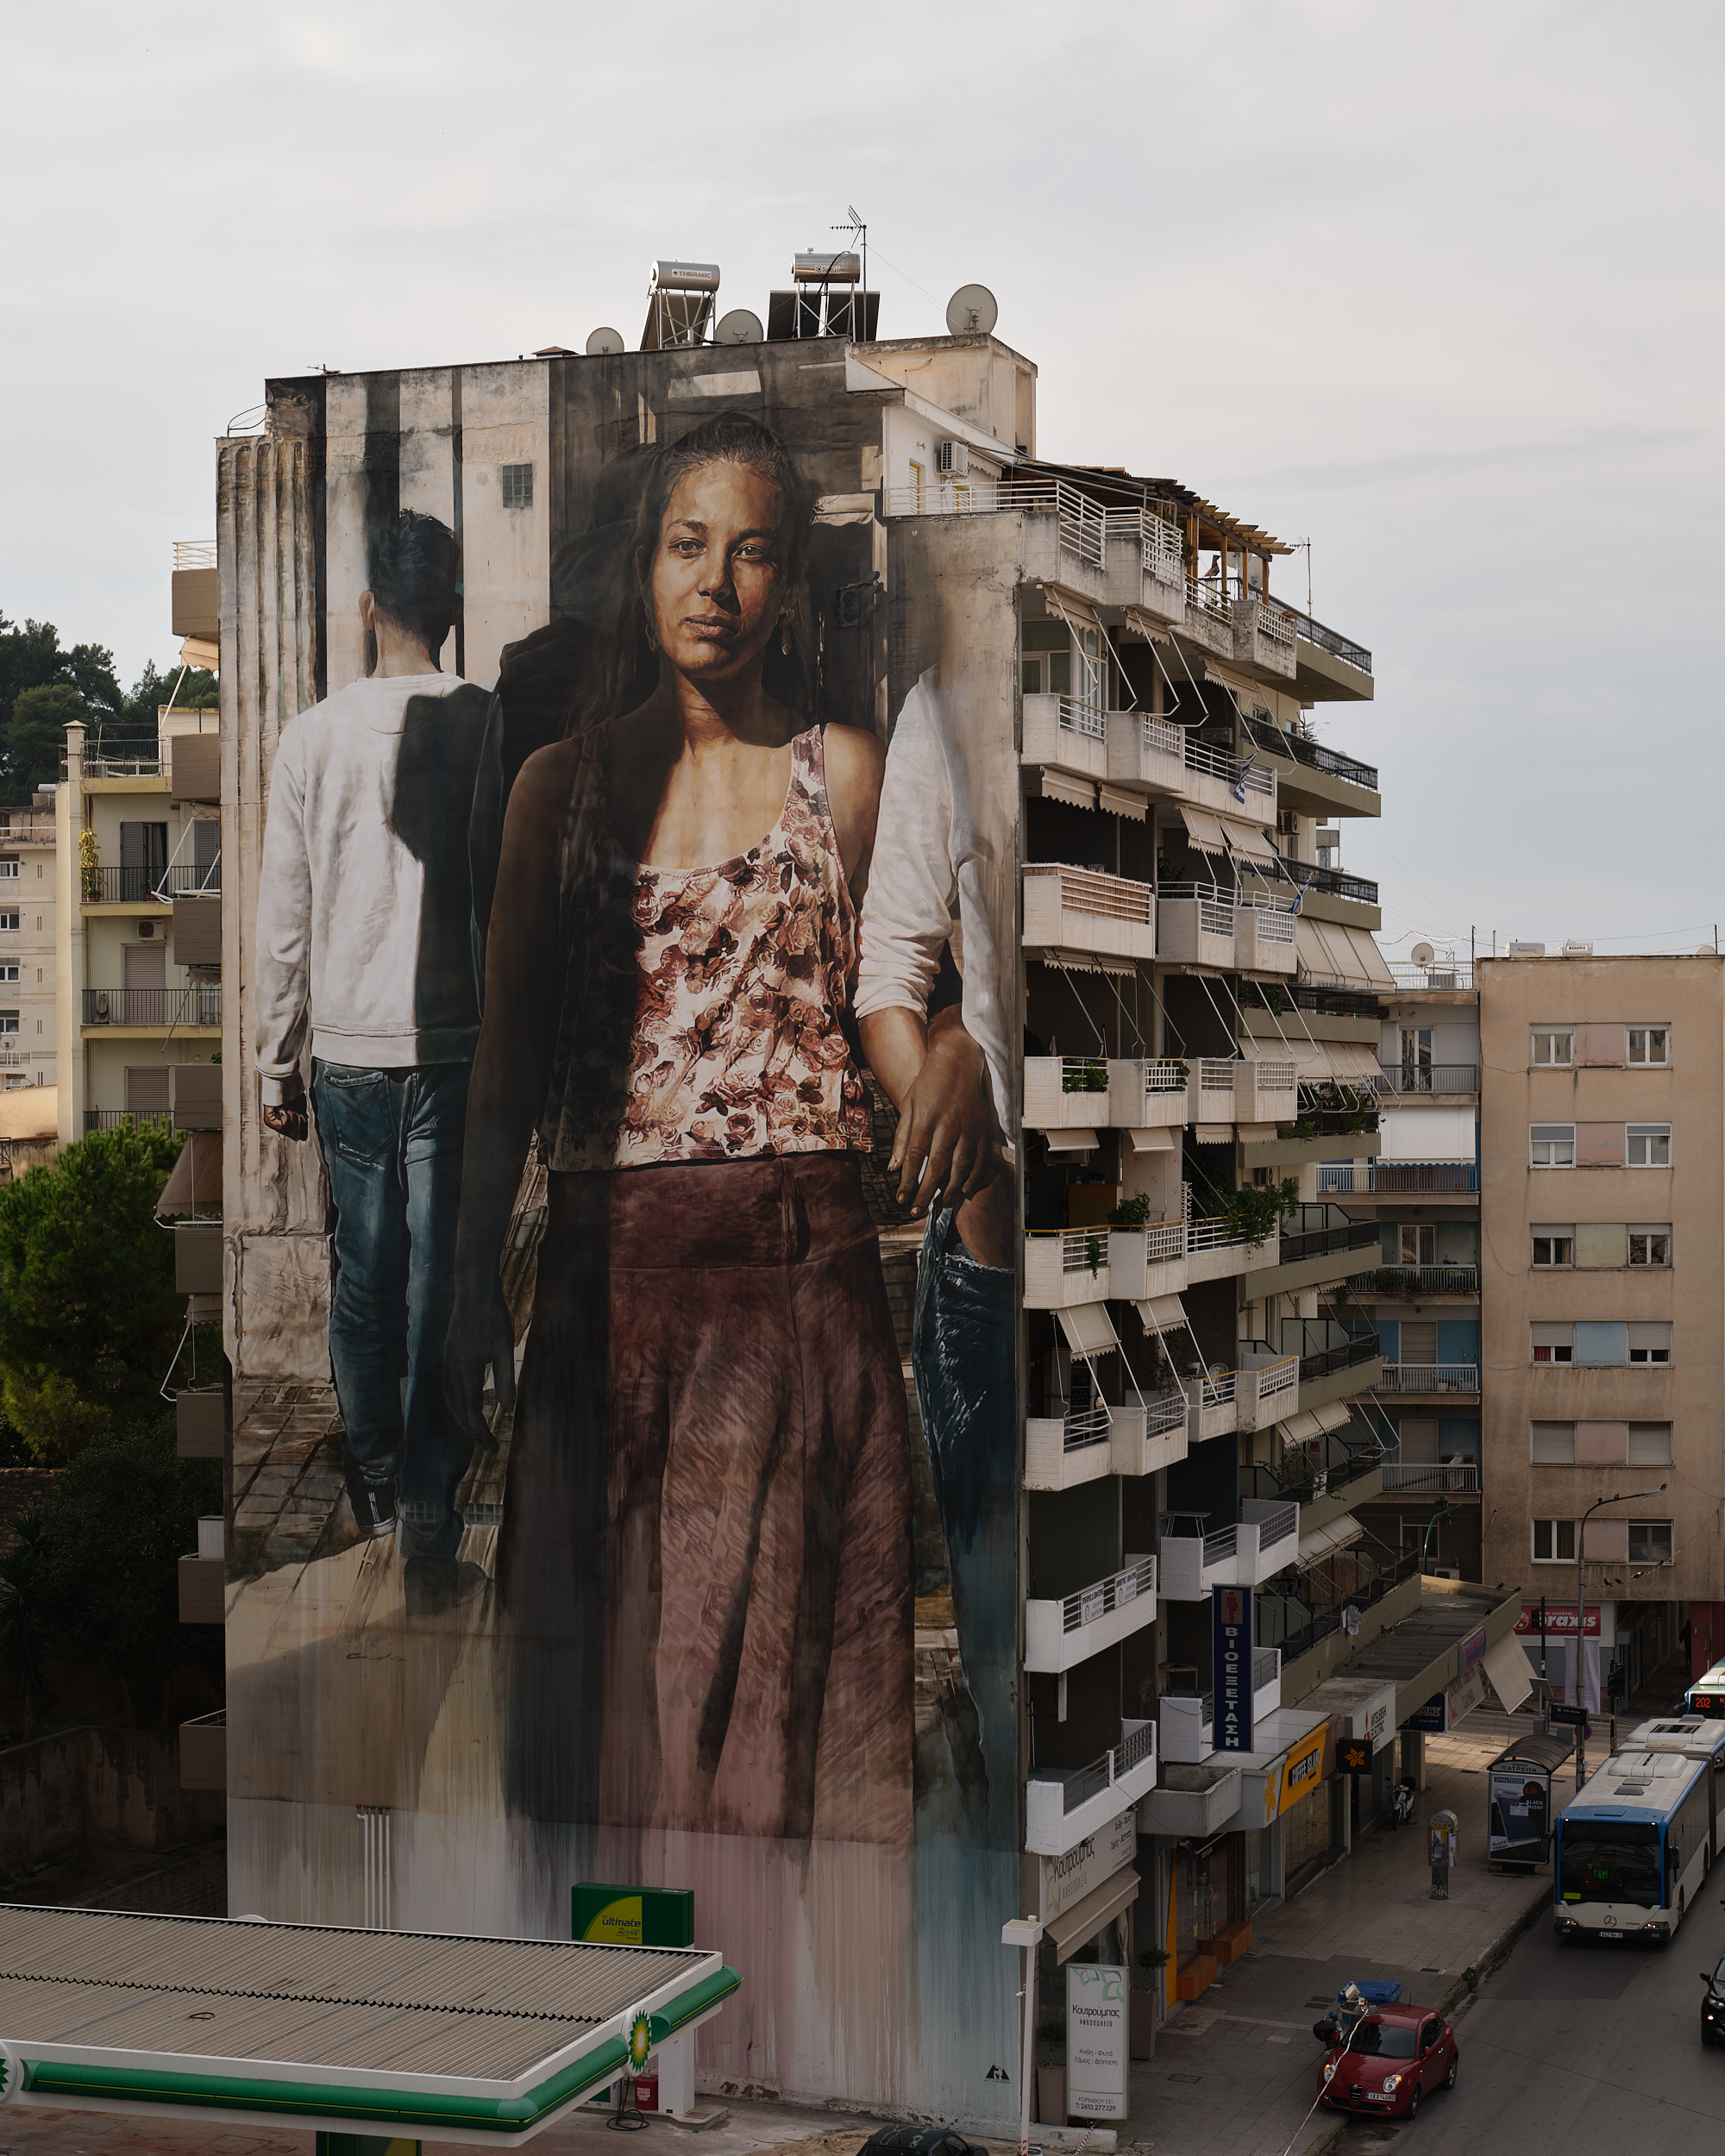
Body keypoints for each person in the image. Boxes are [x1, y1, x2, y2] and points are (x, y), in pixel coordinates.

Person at [448, 411, 970, 1849]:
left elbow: (923, 990)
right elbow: (500, 1073)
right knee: (626, 1724)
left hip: (804, 1286)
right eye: (690, 546)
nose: (716, 584)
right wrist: (461, 1311)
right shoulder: (560, 788)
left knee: (802, 1729)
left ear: (787, 580)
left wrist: (960, 1053)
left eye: (751, 554)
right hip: (611, 1299)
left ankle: (762, 2035)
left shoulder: (848, 775)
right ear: (644, 566)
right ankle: (642, 2034)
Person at [254, 511, 489, 1583]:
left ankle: (389, 1496)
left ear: (367, 610)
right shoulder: (488, 724)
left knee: (365, 1287)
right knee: (441, 1283)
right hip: (454, 1045)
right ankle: (432, 1501)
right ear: (451, 612)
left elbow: (284, 916)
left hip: (344, 1049)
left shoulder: (310, 736)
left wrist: (273, 1057)